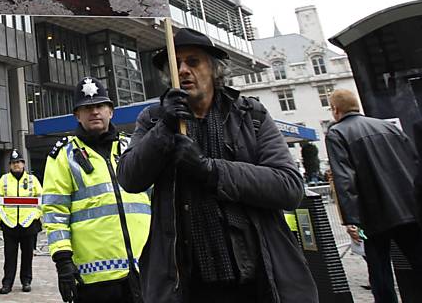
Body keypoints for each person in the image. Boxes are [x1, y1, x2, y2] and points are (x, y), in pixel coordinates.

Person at [118, 28, 318, 303]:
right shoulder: (153, 119)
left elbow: (289, 187)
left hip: (254, 279)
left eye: (193, 61)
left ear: (213, 69)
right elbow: (129, 178)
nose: (184, 70)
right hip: (187, 284)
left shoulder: (251, 115)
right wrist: (163, 129)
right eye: (176, 65)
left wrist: (210, 170)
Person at [42, 77, 150, 303]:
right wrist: (63, 261)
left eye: (100, 106)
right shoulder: (63, 156)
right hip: (95, 278)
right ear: (77, 115)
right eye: (87, 108)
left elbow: (156, 199)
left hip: (146, 268)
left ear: (111, 111)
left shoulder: (133, 148)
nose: (94, 112)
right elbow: (54, 212)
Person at [326, 88, 422, 303]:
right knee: (420, 259)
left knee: (379, 269)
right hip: (407, 207)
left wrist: (352, 220)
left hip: (373, 213)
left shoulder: (337, 133)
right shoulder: (387, 127)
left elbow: (345, 178)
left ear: (335, 109)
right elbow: (414, 161)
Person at [0, 149, 42, 295]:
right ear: (10, 165)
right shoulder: (4, 179)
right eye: (13, 163)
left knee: (27, 255)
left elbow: (41, 201)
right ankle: (7, 283)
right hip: (10, 224)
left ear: (23, 164)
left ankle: (26, 281)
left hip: (29, 223)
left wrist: (34, 216)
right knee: (9, 256)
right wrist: (4, 217)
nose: (16, 165)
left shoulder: (32, 180)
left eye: (19, 162)